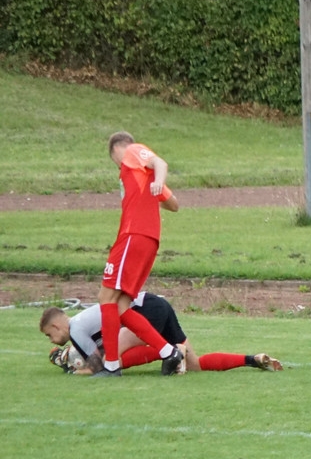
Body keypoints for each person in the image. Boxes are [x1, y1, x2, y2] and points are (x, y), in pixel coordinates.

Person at [94, 132, 185, 377]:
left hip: (133, 235)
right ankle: (168, 351)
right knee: (121, 305)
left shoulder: (131, 153)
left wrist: (158, 180)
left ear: (115, 150)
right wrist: (153, 190)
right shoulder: (143, 175)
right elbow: (174, 204)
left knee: (106, 296)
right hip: (148, 240)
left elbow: (160, 163)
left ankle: (111, 365)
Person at [40, 293, 284, 375]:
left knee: (111, 362)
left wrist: (76, 371)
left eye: (49, 336)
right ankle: (251, 359)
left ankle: (173, 352)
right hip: (158, 304)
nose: (52, 340)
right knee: (196, 365)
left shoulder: (75, 329)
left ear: (56, 327)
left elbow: (97, 366)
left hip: (143, 311)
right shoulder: (82, 319)